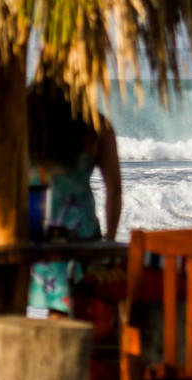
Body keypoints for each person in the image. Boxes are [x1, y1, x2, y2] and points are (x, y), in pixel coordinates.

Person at [26, 80, 122, 317]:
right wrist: (109, 242)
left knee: (16, 313)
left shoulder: (27, 124)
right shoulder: (96, 126)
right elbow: (114, 190)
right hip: (81, 235)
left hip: (32, 233)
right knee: (70, 310)